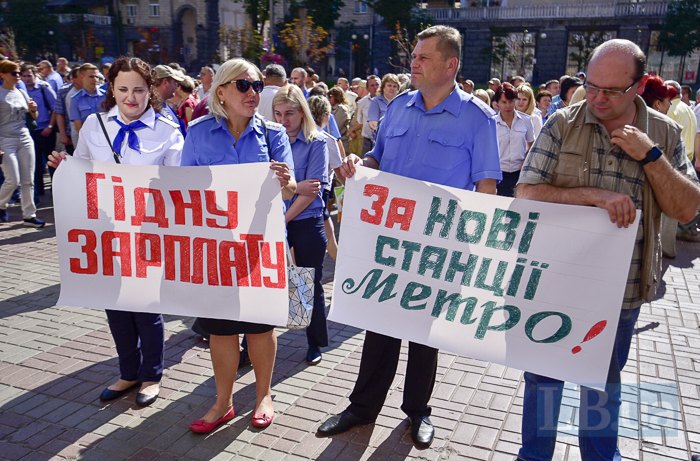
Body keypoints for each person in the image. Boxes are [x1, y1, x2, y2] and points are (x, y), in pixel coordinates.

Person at [317, 25, 502, 448]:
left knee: (424, 334)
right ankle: (361, 408)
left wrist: (474, 247)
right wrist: (355, 163)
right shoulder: (398, 106)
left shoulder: (477, 118)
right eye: (414, 56)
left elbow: (487, 189)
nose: (412, 64)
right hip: (389, 241)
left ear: (450, 65)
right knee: (379, 325)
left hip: (439, 247)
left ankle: (418, 412)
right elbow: (377, 158)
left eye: (422, 58)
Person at [515, 39, 700, 461]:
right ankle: (534, 456)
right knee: (544, 376)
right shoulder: (562, 123)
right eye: (590, 84)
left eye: (610, 91)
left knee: (602, 379)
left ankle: (600, 456)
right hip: (554, 282)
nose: (596, 97)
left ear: (637, 87)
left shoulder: (664, 132)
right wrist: (593, 196)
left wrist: (651, 157)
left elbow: (686, 207)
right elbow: (525, 194)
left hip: (622, 289)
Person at [48, 57, 184, 407]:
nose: (131, 97)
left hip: (147, 230)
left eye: (138, 90)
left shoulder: (167, 130)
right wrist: (66, 167)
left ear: (150, 89)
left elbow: (180, 184)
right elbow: (82, 166)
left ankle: (152, 374)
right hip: (105, 229)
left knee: (145, 305)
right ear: (112, 89)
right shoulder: (95, 124)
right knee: (115, 304)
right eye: (123, 89)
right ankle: (128, 371)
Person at [181, 58, 295, 433]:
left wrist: (285, 181)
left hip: (261, 246)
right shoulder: (198, 132)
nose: (253, 93)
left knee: (261, 327)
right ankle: (223, 402)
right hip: (217, 247)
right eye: (244, 86)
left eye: (257, 86)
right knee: (221, 329)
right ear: (222, 91)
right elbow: (183, 190)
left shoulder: (273, 134)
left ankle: (264, 395)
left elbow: (291, 189)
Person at [273, 86, 330, 365]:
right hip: (276, 219)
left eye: (290, 113)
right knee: (269, 283)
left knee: (308, 282)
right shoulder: (271, 140)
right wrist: (299, 187)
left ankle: (314, 343)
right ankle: (252, 344)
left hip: (306, 220)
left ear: (302, 112)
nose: (284, 120)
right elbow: (291, 186)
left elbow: (313, 192)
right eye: (278, 113)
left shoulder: (316, 142)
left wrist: (284, 216)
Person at [0, 60, 43, 226]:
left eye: (18, 73)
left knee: (28, 179)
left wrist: (33, 109)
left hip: (24, 137)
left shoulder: (21, 92)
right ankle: (1, 204)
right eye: (14, 73)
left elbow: (34, 117)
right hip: (5, 139)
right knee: (13, 180)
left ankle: (29, 215)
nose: (17, 76)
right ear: (2, 74)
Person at [308, 95, 344, 260]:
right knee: (323, 242)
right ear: (326, 116)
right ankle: (342, 273)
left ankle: (300, 284)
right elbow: (341, 174)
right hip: (318, 197)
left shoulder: (297, 136)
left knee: (300, 249)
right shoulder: (327, 140)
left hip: (298, 197)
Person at [20, 64, 57, 204]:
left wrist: (50, 126)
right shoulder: (20, 90)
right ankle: (38, 192)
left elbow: (55, 108)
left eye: (29, 75)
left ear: (35, 75)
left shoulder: (43, 87)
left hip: (46, 130)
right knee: (34, 164)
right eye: (24, 76)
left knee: (50, 161)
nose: (27, 79)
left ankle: (56, 188)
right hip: (30, 131)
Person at [494, 82, 534, 197]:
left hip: (519, 173)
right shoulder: (491, 123)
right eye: (504, 102)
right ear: (497, 103)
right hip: (498, 173)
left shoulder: (526, 121)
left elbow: (532, 145)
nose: (508, 106)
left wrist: (525, 162)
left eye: (511, 101)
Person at [69, 63, 106, 135]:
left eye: (97, 77)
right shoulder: (75, 99)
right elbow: (78, 126)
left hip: (108, 138)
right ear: (82, 77)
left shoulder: (106, 96)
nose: (95, 79)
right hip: (88, 139)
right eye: (91, 76)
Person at [367, 73, 400, 138]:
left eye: (394, 86)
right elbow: (373, 124)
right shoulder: (376, 101)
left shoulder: (401, 101)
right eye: (389, 85)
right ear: (383, 87)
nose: (392, 88)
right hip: (382, 139)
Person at [328, 86, 351, 153]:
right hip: (333, 143)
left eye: (330, 96)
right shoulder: (332, 108)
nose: (329, 99)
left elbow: (336, 127)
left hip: (341, 143)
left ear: (336, 96)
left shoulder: (341, 109)